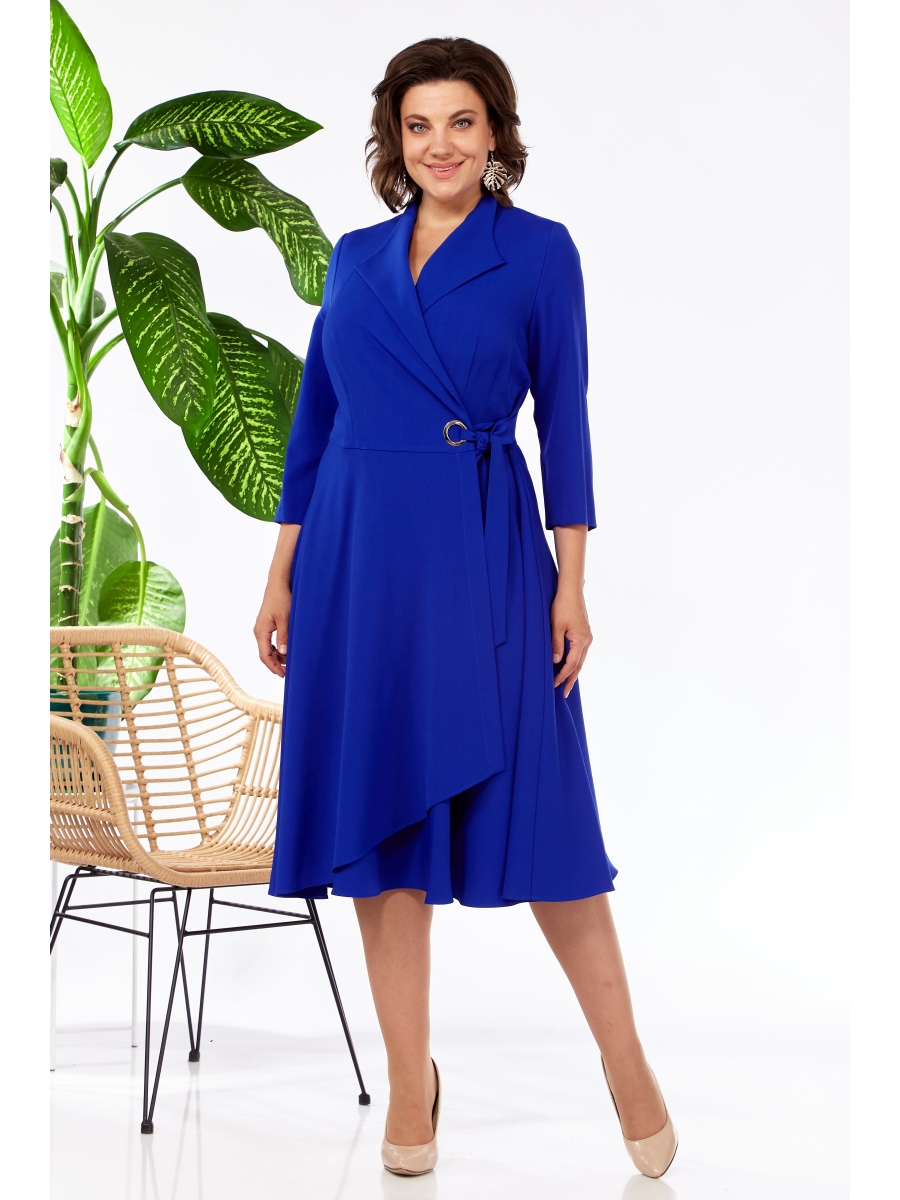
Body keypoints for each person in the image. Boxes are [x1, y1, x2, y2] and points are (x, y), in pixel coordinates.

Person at [254, 36, 677, 1180]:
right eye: (418, 125)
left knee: (543, 821)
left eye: (461, 122)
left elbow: (566, 423)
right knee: (384, 826)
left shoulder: (538, 253)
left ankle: (626, 1059)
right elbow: (316, 421)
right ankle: (411, 1082)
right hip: (357, 560)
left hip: (483, 552)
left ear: (496, 135)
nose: (438, 145)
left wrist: (571, 582)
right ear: (393, 140)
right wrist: (283, 568)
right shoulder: (354, 259)